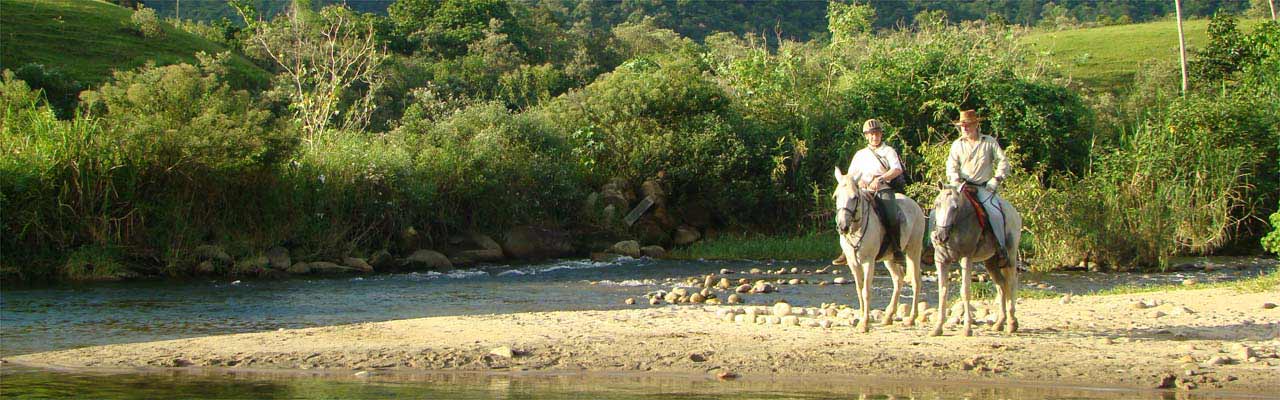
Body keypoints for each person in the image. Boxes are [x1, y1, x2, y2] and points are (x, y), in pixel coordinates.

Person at [833, 118, 905, 266]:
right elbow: (851, 175)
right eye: (871, 134)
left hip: (883, 189)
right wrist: (859, 182)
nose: (874, 136)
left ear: (881, 134)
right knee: (847, 211)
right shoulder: (860, 154)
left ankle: (896, 248)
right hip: (863, 190)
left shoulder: (888, 151)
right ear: (866, 136)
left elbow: (897, 169)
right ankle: (846, 250)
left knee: (891, 215)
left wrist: (881, 179)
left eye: (877, 133)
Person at [945, 109, 1011, 259]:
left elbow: (1003, 161)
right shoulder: (957, 144)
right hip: (961, 186)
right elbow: (951, 165)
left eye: (968, 125)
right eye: (962, 126)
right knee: (940, 209)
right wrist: (955, 180)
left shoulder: (989, 142)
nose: (965, 128)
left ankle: (1001, 247)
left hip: (983, 186)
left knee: (994, 212)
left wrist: (997, 179)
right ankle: (933, 245)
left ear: (976, 125)